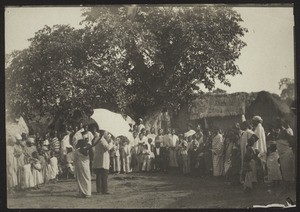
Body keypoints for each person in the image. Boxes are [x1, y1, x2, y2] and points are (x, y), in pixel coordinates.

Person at [92, 130, 114, 195]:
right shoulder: (102, 140)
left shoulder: (96, 139)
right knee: (104, 175)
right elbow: (107, 148)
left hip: (99, 160)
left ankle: (99, 190)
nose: (106, 135)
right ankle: (104, 190)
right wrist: (111, 142)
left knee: (99, 175)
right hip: (102, 160)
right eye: (106, 133)